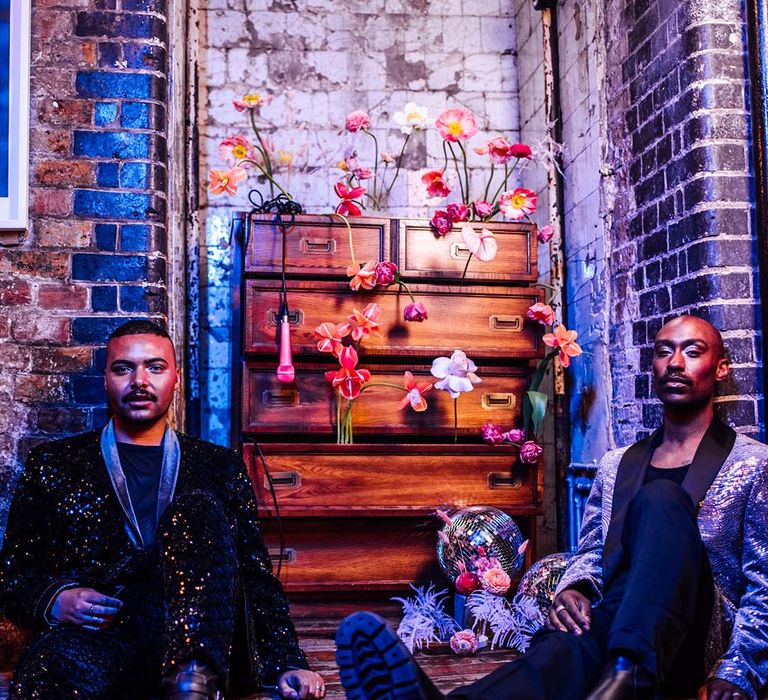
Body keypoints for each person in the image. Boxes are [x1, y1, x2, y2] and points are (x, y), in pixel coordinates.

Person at [335, 315, 768, 700]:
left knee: (660, 498)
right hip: (618, 619)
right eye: (663, 352)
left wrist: (738, 671)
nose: (675, 363)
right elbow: (594, 555)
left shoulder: (752, 463)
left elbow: (763, 584)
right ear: (652, 365)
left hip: (695, 636)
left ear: (721, 368)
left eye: (692, 352)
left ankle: (628, 675)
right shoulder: (619, 464)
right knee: (558, 648)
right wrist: (575, 588)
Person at [0, 320, 326, 700]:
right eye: (124, 368)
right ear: (106, 379)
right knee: (47, 670)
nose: (140, 381)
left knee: (197, 508)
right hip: (100, 638)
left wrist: (288, 659)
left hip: (196, 640)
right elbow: (14, 575)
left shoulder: (219, 467)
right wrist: (57, 600)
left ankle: (193, 684)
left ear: (176, 378)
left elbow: (255, 577)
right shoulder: (54, 464)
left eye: (155, 367)